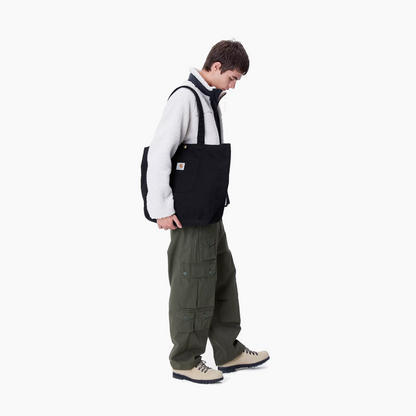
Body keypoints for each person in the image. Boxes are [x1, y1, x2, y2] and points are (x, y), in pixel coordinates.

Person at [146, 39, 269, 384]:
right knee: (193, 285)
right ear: (216, 67)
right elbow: (159, 153)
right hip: (189, 215)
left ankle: (228, 351)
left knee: (222, 278)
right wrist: (161, 208)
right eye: (232, 78)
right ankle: (185, 360)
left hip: (211, 212)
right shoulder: (185, 98)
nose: (233, 86)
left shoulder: (210, 100)